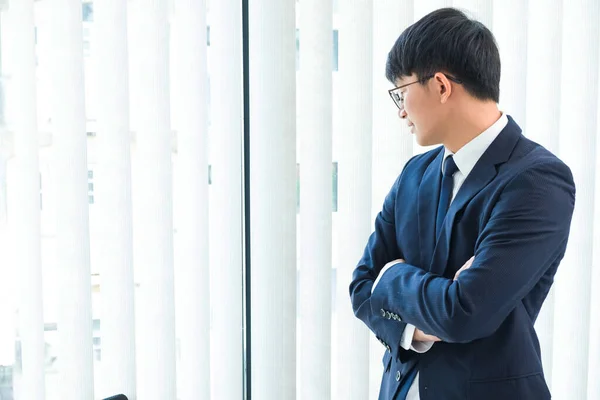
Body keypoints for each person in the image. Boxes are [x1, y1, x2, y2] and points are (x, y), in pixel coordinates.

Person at [349, 7, 575, 400]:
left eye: (401, 93)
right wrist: (418, 325)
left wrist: (393, 278)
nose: (400, 111)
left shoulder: (537, 180)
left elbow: (465, 313)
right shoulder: (414, 175)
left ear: (440, 85)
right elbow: (361, 287)